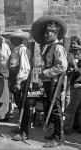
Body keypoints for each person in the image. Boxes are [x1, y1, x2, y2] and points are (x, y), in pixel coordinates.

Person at [31, 16, 68, 148]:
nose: (46, 34)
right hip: (49, 82)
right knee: (53, 109)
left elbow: (62, 66)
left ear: (55, 33)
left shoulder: (58, 48)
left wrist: (45, 73)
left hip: (55, 82)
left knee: (56, 109)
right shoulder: (49, 47)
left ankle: (59, 138)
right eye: (45, 32)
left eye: (49, 32)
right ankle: (56, 134)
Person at [2, 29, 31, 141]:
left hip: (21, 80)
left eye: (13, 38)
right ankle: (21, 127)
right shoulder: (16, 49)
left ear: (18, 39)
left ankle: (24, 132)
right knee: (19, 104)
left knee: (23, 104)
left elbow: (24, 67)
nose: (11, 40)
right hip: (14, 78)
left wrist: (18, 82)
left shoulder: (22, 50)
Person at [64, 42, 81, 134]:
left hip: (77, 88)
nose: (76, 56)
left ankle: (66, 129)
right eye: (75, 54)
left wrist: (74, 67)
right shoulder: (78, 63)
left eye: (77, 54)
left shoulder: (78, 63)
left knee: (71, 109)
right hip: (76, 87)